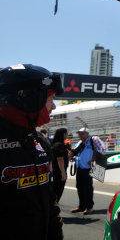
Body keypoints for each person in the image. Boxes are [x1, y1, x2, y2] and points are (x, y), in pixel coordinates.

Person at [0, 64, 64, 239]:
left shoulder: (41, 142)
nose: (54, 107)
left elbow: (50, 203)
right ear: (27, 100)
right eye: (50, 100)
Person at [70, 127, 105, 214]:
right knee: (79, 187)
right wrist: (74, 158)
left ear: (87, 134)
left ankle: (89, 207)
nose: (80, 135)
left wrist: (95, 160)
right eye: (79, 134)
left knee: (88, 188)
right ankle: (81, 206)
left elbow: (102, 149)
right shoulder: (79, 143)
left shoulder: (94, 139)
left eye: (82, 133)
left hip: (88, 168)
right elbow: (76, 153)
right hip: (79, 168)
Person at [51, 128, 70, 202]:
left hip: (53, 171)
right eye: (66, 134)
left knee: (54, 190)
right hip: (58, 172)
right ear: (64, 134)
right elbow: (60, 159)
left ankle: (53, 207)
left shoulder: (53, 144)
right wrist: (63, 173)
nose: (67, 135)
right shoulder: (60, 145)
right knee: (58, 191)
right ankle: (54, 208)